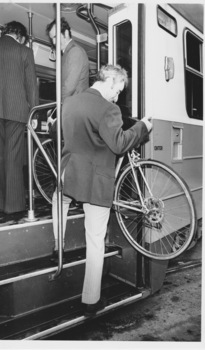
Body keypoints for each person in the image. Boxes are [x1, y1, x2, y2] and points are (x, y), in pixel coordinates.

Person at [52, 64, 152, 316]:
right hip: (95, 181)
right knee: (95, 239)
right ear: (109, 81)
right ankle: (90, 301)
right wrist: (141, 128)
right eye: (117, 90)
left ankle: (57, 247)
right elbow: (119, 144)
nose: (118, 97)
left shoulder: (70, 103)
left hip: (68, 172)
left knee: (58, 200)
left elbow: (61, 134)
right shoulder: (109, 108)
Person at [0, 21, 39, 214]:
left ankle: (0, 205)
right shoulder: (24, 51)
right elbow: (31, 86)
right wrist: (34, 113)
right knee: (13, 157)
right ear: (20, 36)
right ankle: (15, 206)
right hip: (17, 112)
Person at [46, 17, 89, 102]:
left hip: (76, 106)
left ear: (65, 33)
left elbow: (69, 86)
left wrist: (59, 106)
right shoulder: (65, 54)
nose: (54, 42)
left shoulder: (75, 51)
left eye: (55, 37)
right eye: (52, 39)